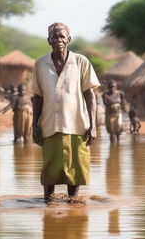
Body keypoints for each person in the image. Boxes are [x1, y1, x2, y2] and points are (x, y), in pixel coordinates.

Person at [32, 22, 100, 203]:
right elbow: (37, 97)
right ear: (48, 40)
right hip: (48, 123)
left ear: (69, 39)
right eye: (54, 37)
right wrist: (34, 126)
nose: (58, 40)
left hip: (76, 123)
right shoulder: (40, 64)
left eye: (62, 36)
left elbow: (89, 93)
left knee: (75, 168)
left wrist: (93, 125)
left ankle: (74, 203)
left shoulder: (81, 61)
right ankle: (48, 203)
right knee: (49, 168)